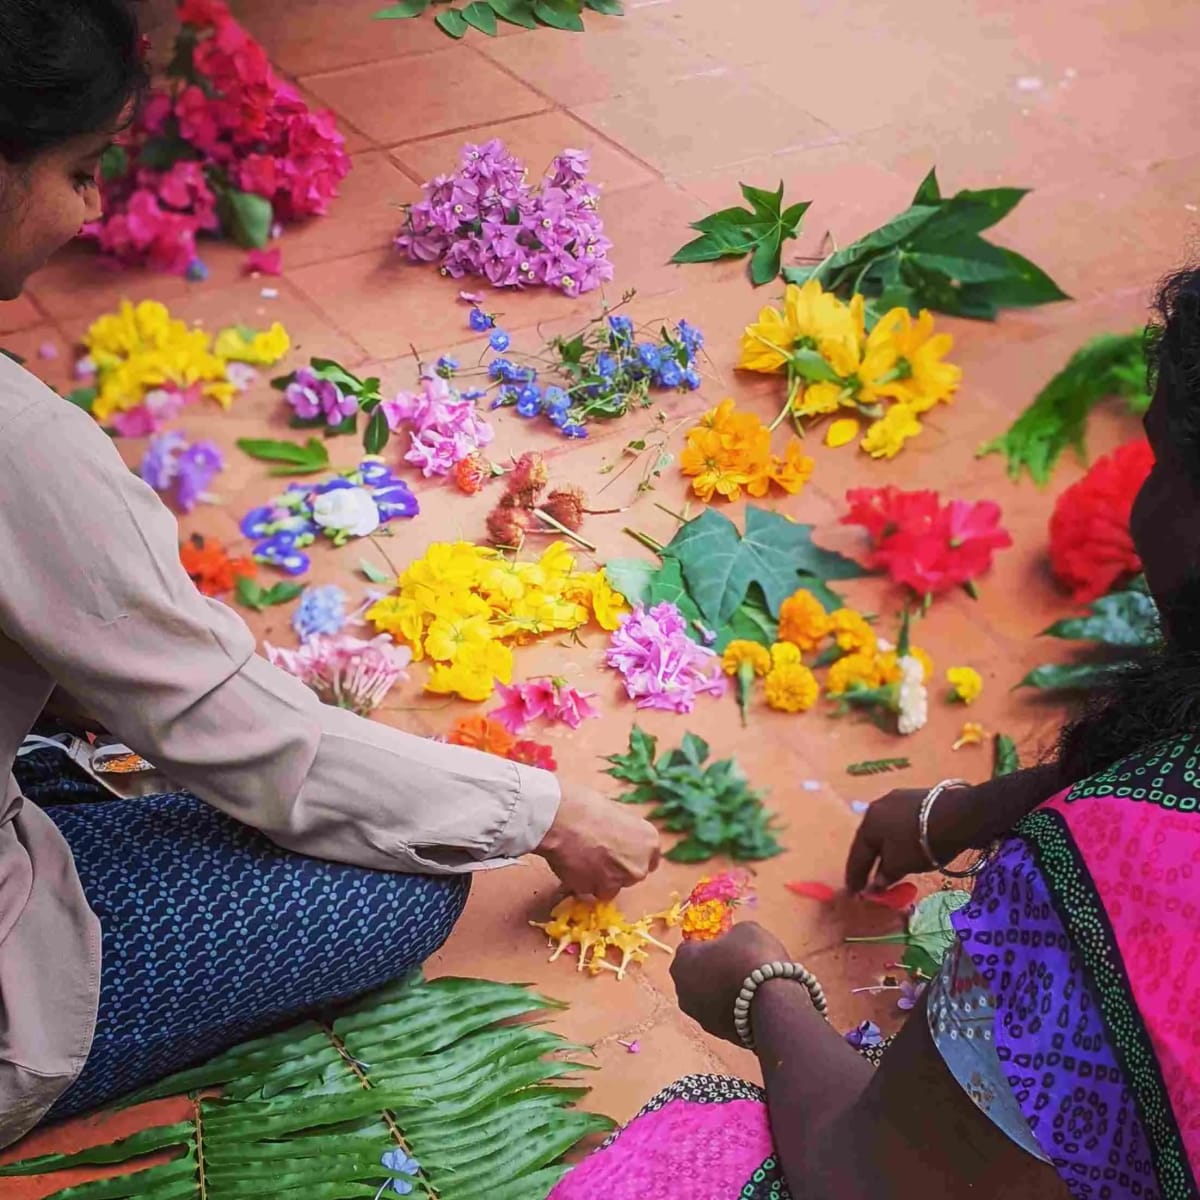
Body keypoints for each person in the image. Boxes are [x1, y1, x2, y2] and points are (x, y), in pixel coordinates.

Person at [0, 0, 660, 1151]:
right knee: (401, 880)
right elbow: (251, 743)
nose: (91, 206)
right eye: (79, 167)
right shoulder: (16, 445)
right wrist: (548, 812)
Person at [552, 272, 1200, 1200]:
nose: (1143, 511)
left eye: (1164, 462)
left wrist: (765, 996)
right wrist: (977, 807)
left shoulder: (1121, 881)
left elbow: (865, 1183)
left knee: (684, 1152)